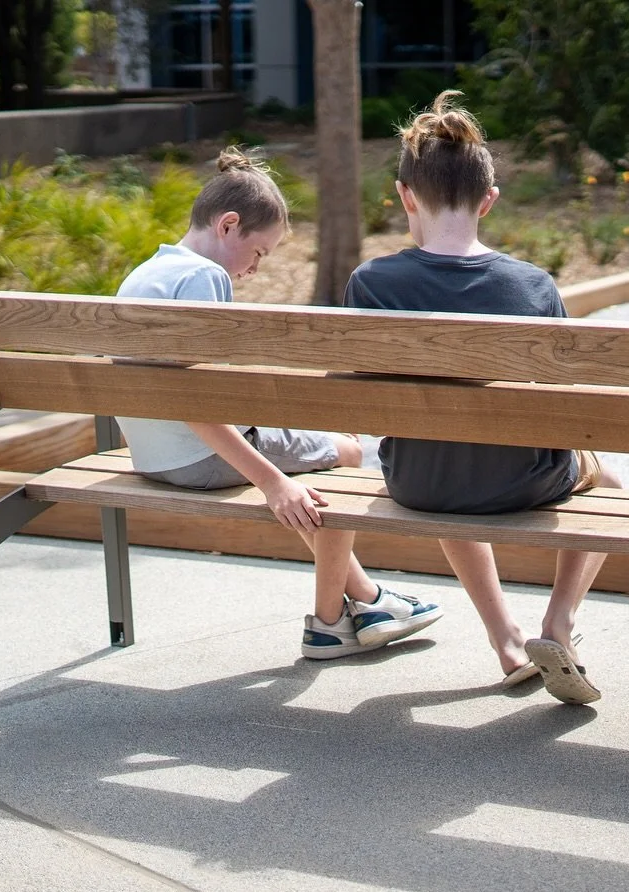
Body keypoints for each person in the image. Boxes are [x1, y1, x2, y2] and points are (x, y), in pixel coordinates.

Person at [344, 92, 621, 705]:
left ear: (405, 195)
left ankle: (506, 642)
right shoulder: (532, 285)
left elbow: (362, 391)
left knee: (442, 443)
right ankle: (559, 626)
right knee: (612, 484)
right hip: (522, 483)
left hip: (418, 483)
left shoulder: (371, 282)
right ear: (488, 201)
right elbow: (566, 401)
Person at [114, 148, 442, 660]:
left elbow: (179, 393)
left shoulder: (146, 273)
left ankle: (373, 601)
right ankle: (331, 623)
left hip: (152, 457)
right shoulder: (205, 278)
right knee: (349, 453)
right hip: (198, 459)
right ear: (228, 226)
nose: (254, 269)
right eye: (260, 253)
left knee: (313, 447)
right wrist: (272, 482)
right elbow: (194, 402)